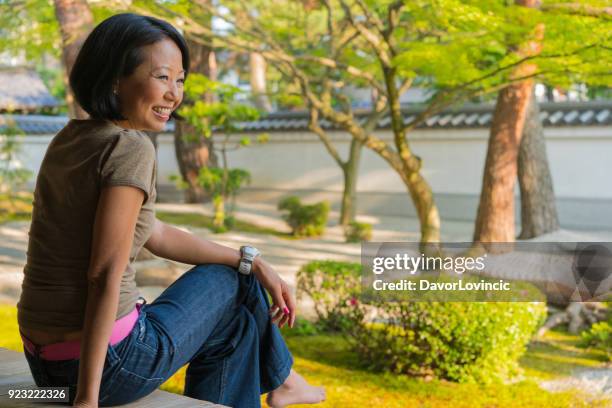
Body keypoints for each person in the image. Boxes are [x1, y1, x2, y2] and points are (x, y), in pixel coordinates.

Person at [16, 13, 325, 408]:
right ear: (115, 78)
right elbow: (103, 273)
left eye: (180, 81)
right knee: (238, 283)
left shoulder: (69, 138)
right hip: (108, 366)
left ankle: (284, 380)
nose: (174, 94)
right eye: (162, 77)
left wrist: (251, 258)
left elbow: (152, 232)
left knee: (236, 310)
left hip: (45, 372)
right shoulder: (129, 146)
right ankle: (284, 381)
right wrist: (87, 400)